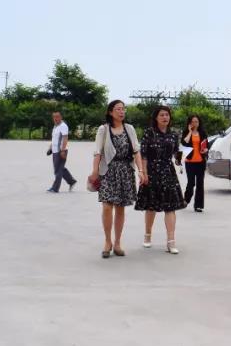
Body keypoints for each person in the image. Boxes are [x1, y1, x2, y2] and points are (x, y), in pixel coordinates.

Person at [89, 100, 144, 259]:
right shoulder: (103, 129)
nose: (121, 112)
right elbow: (97, 152)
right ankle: (108, 241)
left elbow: (136, 151)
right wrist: (94, 171)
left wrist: (140, 170)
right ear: (110, 112)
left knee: (120, 208)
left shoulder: (130, 129)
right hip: (108, 171)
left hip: (125, 171)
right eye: (118, 109)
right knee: (107, 207)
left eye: (123, 109)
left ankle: (118, 242)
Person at [136, 105, 186, 254]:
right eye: (162, 115)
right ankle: (147, 235)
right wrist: (144, 173)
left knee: (170, 207)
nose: (165, 117)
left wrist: (181, 159)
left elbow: (176, 153)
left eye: (167, 115)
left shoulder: (174, 134)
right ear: (156, 118)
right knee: (151, 206)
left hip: (168, 172)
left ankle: (171, 241)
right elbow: (143, 154)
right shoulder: (149, 133)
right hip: (151, 172)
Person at [181, 114, 209, 212]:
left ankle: (198, 205)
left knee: (200, 184)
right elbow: (184, 143)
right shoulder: (186, 132)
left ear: (199, 122)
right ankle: (186, 200)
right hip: (190, 162)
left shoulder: (202, 133)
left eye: (196, 121)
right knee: (191, 183)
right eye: (192, 122)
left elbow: (207, 145)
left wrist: (205, 150)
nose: (194, 123)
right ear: (189, 123)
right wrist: (190, 131)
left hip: (201, 161)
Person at [47, 110, 77, 193]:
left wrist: (63, 150)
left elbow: (65, 138)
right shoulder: (55, 126)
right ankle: (71, 181)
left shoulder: (63, 126)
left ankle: (55, 188)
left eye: (57, 117)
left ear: (61, 117)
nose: (55, 118)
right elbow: (54, 139)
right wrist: (50, 148)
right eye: (54, 117)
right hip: (55, 151)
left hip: (61, 151)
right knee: (60, 168)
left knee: (57, 170)